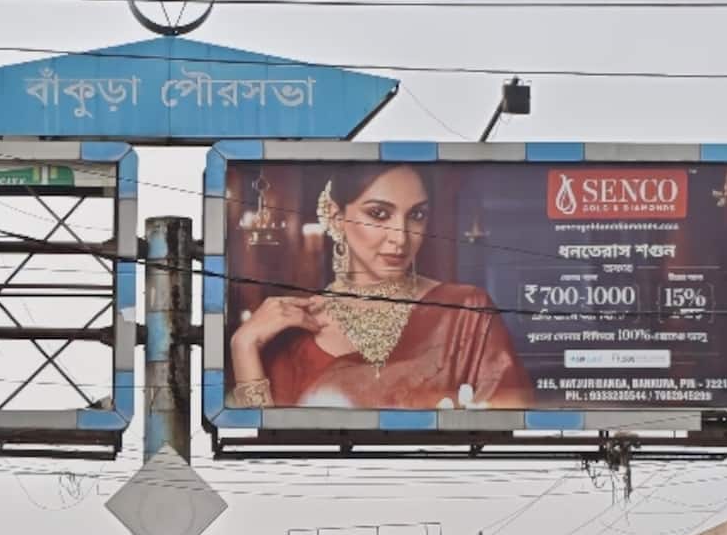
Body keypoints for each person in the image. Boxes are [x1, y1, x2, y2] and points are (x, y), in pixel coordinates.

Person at [227, 163, 531, 410]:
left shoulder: (465, 311)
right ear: (336, 216)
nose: (400, 237)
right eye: (379, 214)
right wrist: (243, 347)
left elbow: (505, 427)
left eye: (416, 215)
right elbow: (272, 448)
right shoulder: (294, 331)